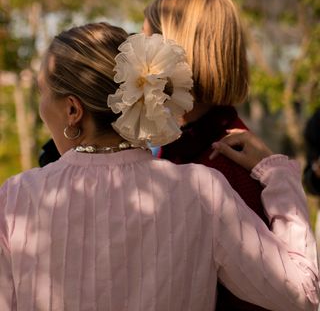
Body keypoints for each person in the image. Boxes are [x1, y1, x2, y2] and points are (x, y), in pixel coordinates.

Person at [0, 22, 318, 311]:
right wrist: (277, 175)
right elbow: (302, 294)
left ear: (73, 109)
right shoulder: (201, 190)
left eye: (42, 92)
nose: (41, 105)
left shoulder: (17, 199)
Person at [143, 0, 267, 310]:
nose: (133, 55)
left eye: (145, 41)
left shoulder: (225, 162)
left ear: (176, 53)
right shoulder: (184, 143)